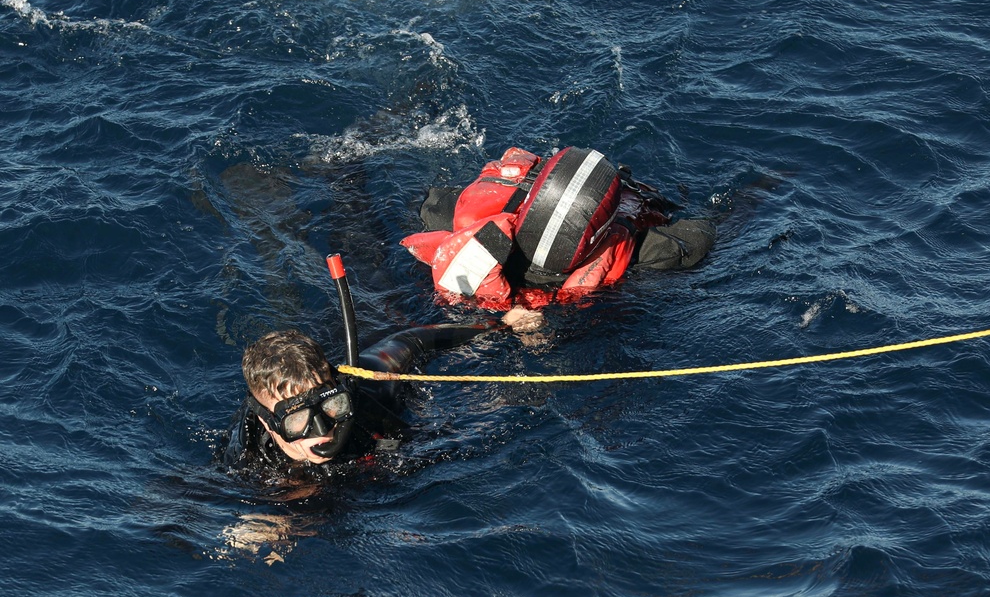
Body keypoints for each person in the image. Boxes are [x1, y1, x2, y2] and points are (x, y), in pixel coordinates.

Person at [400, 146, 717, 326]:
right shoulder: (448, 213)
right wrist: (501, 316)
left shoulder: (649, 249)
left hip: (633, 199)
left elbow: (701, 235)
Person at [223, 324, 487, 478]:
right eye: (298, 420)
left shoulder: (365, 400)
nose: (323, 429)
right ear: (268, 423)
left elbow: (411, 341)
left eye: (331, 406)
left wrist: (498, 326)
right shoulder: (249, 455)